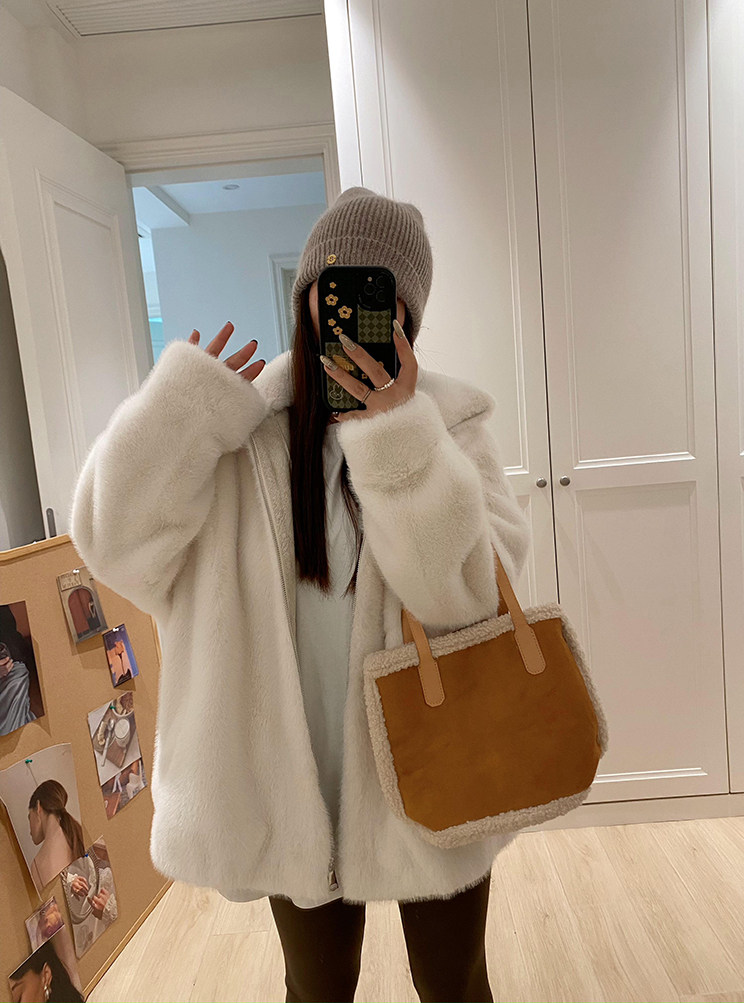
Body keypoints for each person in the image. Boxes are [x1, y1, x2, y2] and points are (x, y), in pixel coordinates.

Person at [69, 187, 531, 1002]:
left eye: (377, 289)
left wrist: (400, 436)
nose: (350, 305)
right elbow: (114, 545)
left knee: (454, 983)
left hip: (436, 758)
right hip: (295, 777)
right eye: (335, 281)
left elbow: (468, 600)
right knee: (316, 988)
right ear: (306, 292)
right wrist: (175, 415)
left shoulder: (450, 429)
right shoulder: (239, 430)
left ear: (406, 313)